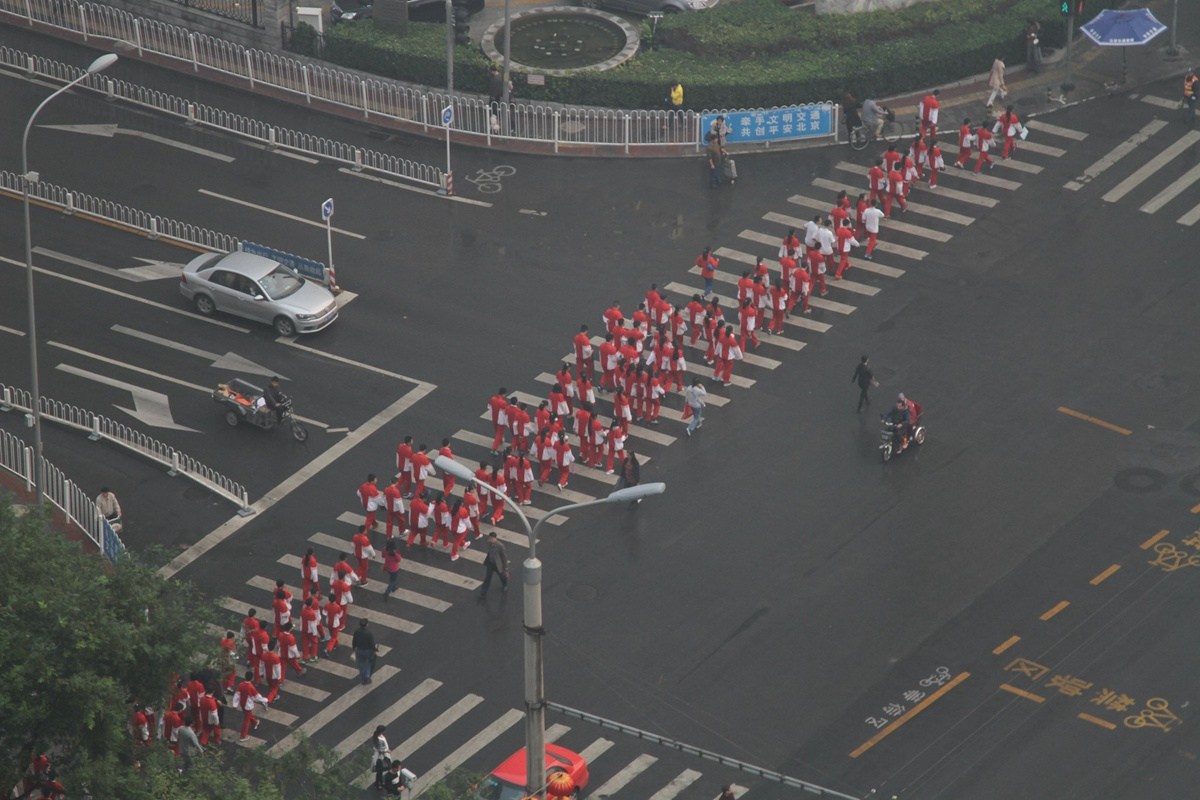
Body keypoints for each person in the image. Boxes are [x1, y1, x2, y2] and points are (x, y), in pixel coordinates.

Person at [480, 532, 509, 597]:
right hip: (490, 563)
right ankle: (483, 592)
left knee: (502, 576)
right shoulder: (489, 543)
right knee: (487, 578)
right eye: (489, 538)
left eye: (491, 538)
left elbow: (504, 558)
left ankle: (505, 585)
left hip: (498, 565)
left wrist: (505, 568)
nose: (490, 539)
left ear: (495, 538)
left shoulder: (500, 546)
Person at [352, 618, 378, 685]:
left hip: (359, 650)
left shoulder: (356, 631)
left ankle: (363, 677)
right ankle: (367, 676)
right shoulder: (369, 634)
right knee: (369, 663)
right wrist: (375, 650)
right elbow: (372, 644)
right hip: (368, 651)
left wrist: (354, 649)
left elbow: (354, 641)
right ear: (366, 625)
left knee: (361, 665)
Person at [371, 726, 392, 791]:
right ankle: (378, 784)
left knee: (380, 770)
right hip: (380, 756)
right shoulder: (378, 739)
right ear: (381, 731)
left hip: (382, 755)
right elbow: (379, 749)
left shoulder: (379, 736)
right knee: (380, 770)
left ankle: (379, 782)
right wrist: (386, 750)